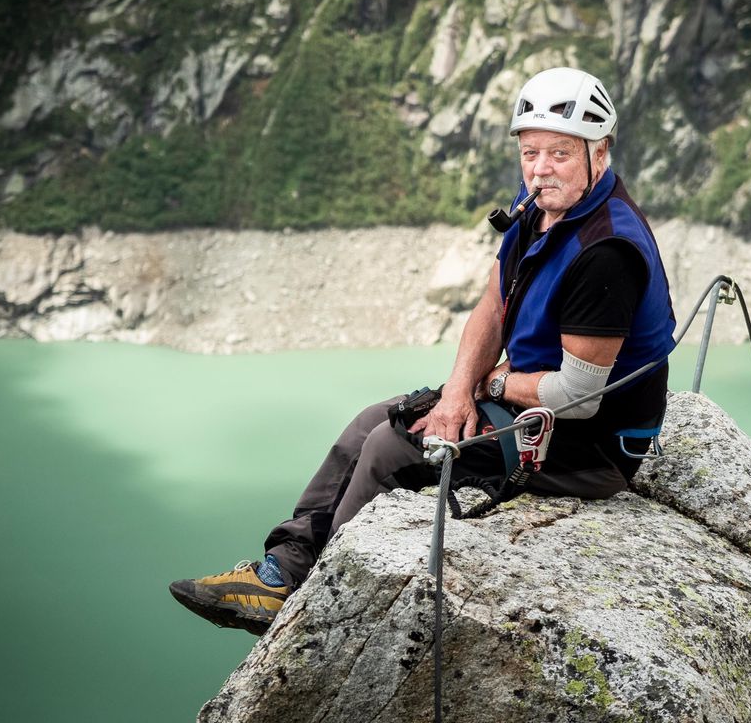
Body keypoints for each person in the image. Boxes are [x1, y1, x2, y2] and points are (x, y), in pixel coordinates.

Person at [169, 67, 676, 634]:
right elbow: (493, 302)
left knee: (393, 447)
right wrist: (457, 392)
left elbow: (580, 397)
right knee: (372, 421)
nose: (539, 169)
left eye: (559, 153)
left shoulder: (605, 250)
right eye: (530, 152)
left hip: (585, 448)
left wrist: (488, 387)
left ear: (599, 153)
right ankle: (282, 571)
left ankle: (321, 606)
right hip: (530, 405)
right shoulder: (543, 205)